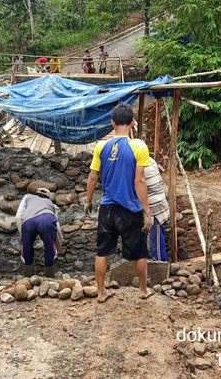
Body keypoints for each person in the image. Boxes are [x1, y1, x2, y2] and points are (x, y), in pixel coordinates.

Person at [85, 103, 153, 303]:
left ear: (112, 123)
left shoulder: (101, 146)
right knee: (140, 251)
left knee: (102, 251)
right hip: (130, 209)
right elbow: (139, 181)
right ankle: (142, 290)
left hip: (106, 209)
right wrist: (147, 211)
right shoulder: (138, 146)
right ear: (132, 122)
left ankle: (101, 292)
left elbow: (92, 176)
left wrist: (88, 201)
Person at [16, 188, 63, 277]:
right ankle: (49, 276)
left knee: (26, 247)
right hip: (47, 219)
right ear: (48, 197)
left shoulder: (27, 197)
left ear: (36, 193)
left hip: (28, 222)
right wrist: (58, 245)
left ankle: (28, 275)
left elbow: (18, 216)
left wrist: (22, 232)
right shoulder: (52, 205)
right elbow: (57, 226)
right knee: (50, 246)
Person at [145, 157, 169, 261]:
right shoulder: (150, 160)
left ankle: (161, 263)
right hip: (158, 204)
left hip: (155, 208)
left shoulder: (142, 167)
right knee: (155, 236)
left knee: (156, 239)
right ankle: (155, 259)